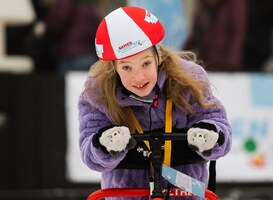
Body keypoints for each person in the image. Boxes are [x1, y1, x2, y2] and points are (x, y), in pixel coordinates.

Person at [78, 6, 232, 200]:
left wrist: (211, 135)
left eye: (146, 63)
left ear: (158, 56)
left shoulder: (189, 78)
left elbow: (216, 122)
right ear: (113, 67)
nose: (139, 77)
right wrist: (104, 145)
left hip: (185, 193)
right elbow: (89, 153)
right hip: (127, 195)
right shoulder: (97, 92)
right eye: (126, 67)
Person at [183, 0, 247, 72]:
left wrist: (231, 64)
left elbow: (237, 35)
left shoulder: (235, 3)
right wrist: (181, 55)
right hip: (204, 64)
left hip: (224, 66)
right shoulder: (202, 4)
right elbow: (195, 35)